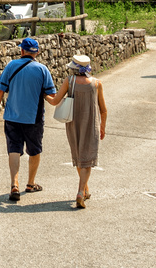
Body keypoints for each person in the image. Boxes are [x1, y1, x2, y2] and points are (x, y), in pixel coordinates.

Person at [0, 36, 56, 202]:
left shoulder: (11, 65)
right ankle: (31, 183)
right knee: (35, 150)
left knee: (14, 149)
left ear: (21, 51)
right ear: (37, 52)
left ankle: (14, 184)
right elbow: (51, 95)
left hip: (12, 116)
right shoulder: (42, 70)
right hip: (33, 118)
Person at [46, 53, 106, 209]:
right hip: (91, 125)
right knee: (87, 159)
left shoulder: (69, 81)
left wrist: (43, 93)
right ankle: (81, 191)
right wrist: (103, 127)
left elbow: (54, 101)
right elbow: (103, 109)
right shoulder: (97, 83)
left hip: (73, 124)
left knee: (80, 157)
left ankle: (84, 190)